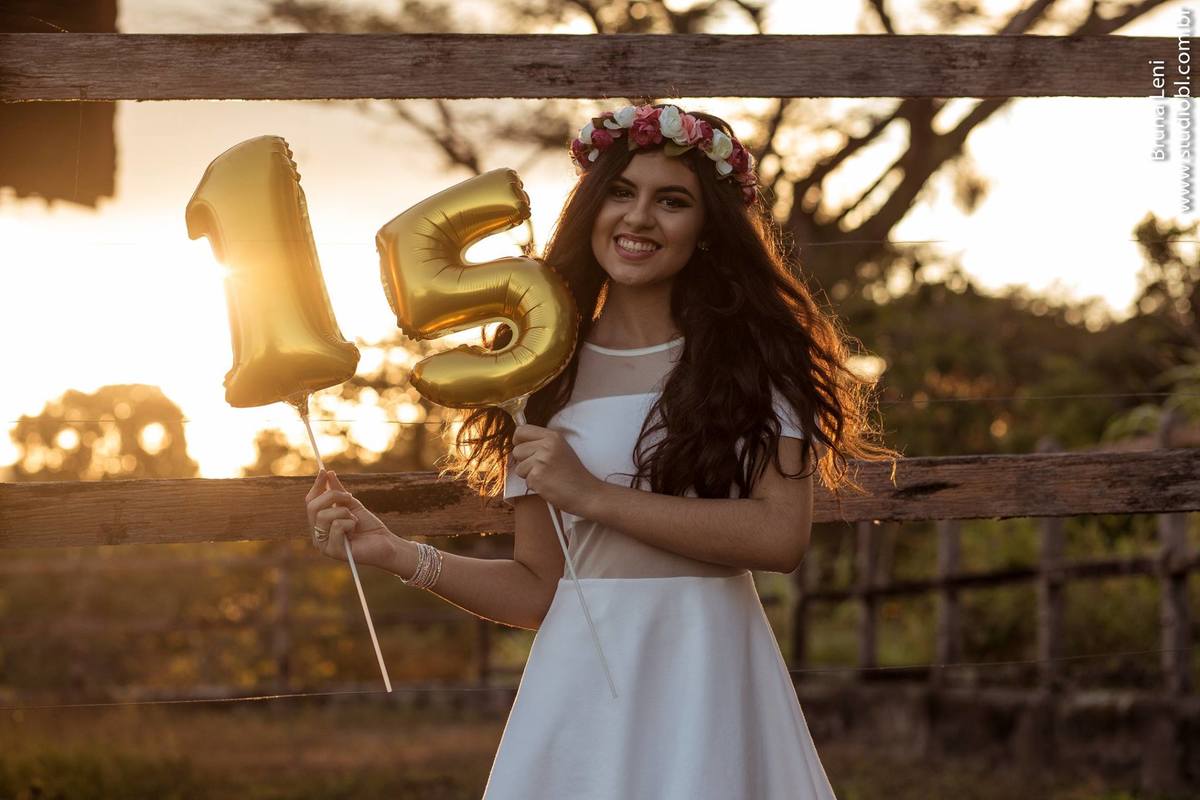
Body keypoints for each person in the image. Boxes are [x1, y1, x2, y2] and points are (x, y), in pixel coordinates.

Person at [305, 102, 899, 799]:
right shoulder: (539, 369)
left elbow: (777, 536)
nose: (639, 218)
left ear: (707, 227)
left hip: (710, 670)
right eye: (621, 192)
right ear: (591, 207)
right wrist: (398, 554)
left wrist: (592, 496)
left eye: (670, 201)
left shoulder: (755, 362)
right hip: (580, 685)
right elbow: (538, 590)